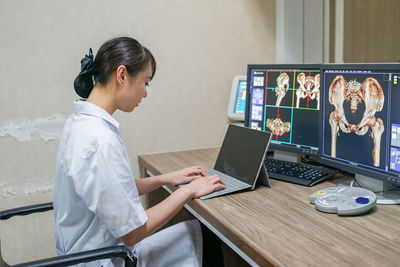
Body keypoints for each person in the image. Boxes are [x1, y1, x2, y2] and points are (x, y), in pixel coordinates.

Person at [53, 36, 226, 267]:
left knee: (200, 235)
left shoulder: (80, 122)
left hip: (87, 251)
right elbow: (133, 233)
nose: (145, 93)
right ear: (122, 75)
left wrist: (167, 178)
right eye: (145, 82)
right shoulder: (100, 141)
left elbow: (113, 189)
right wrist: (187, 192)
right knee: (209, 238)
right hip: (102, 259)